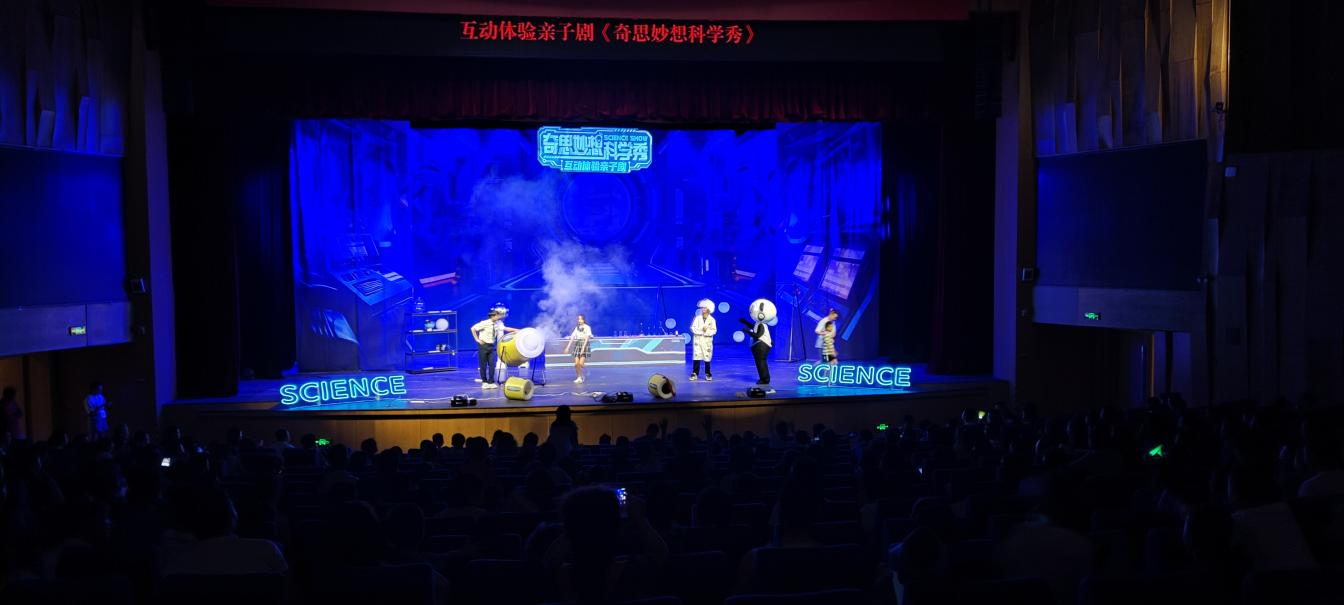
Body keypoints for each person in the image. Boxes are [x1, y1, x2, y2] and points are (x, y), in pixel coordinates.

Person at [470, 309, 514, 389]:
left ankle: (491, 382)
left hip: (491, 346)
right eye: (497, 316)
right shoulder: (485, 323)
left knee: (492, 364)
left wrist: (518, 330)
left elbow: (506, 329)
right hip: (483, 346)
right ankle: (484, 382)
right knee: (483, 365)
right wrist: (477, 340)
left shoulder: (497, 324)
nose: (499, 317)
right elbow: (473, 328)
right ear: (493, 316)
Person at [739, 314, 772, 385]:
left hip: (762, 344)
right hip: (760, 345)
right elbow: (753, 327)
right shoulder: (758, 324)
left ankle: (765, 379)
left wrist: (747, 331)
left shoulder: (762, 324)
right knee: (759, 362)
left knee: (761, 362)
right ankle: (763, 378)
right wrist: (745, 322)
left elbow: (757, 335)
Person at [689, 301, 717, 381]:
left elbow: (714, 331)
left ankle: (708, 373)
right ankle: (695, 373)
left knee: (707, 357)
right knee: (696, 356)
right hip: (698, 341)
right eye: (702, 307)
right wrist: (701, 330)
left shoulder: (712, 320)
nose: (702, 309)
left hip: (706, 341)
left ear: (709, 309)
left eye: (704, 307)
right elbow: (692, 328)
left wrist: (706, 331)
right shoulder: (697, 318)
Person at [563, 314, 593, 384]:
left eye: (580, 319)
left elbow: (587, 338)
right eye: (578, 319)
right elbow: (572, 337)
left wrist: (583, 348)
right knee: (576, 364)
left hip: (584, 345)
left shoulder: (587, 327)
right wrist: (567, 347)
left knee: (581, 364)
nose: (579, 320)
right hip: (577, 345)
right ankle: (579, 377)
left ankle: (582, 373)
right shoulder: (576, 328)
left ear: (583, 320)